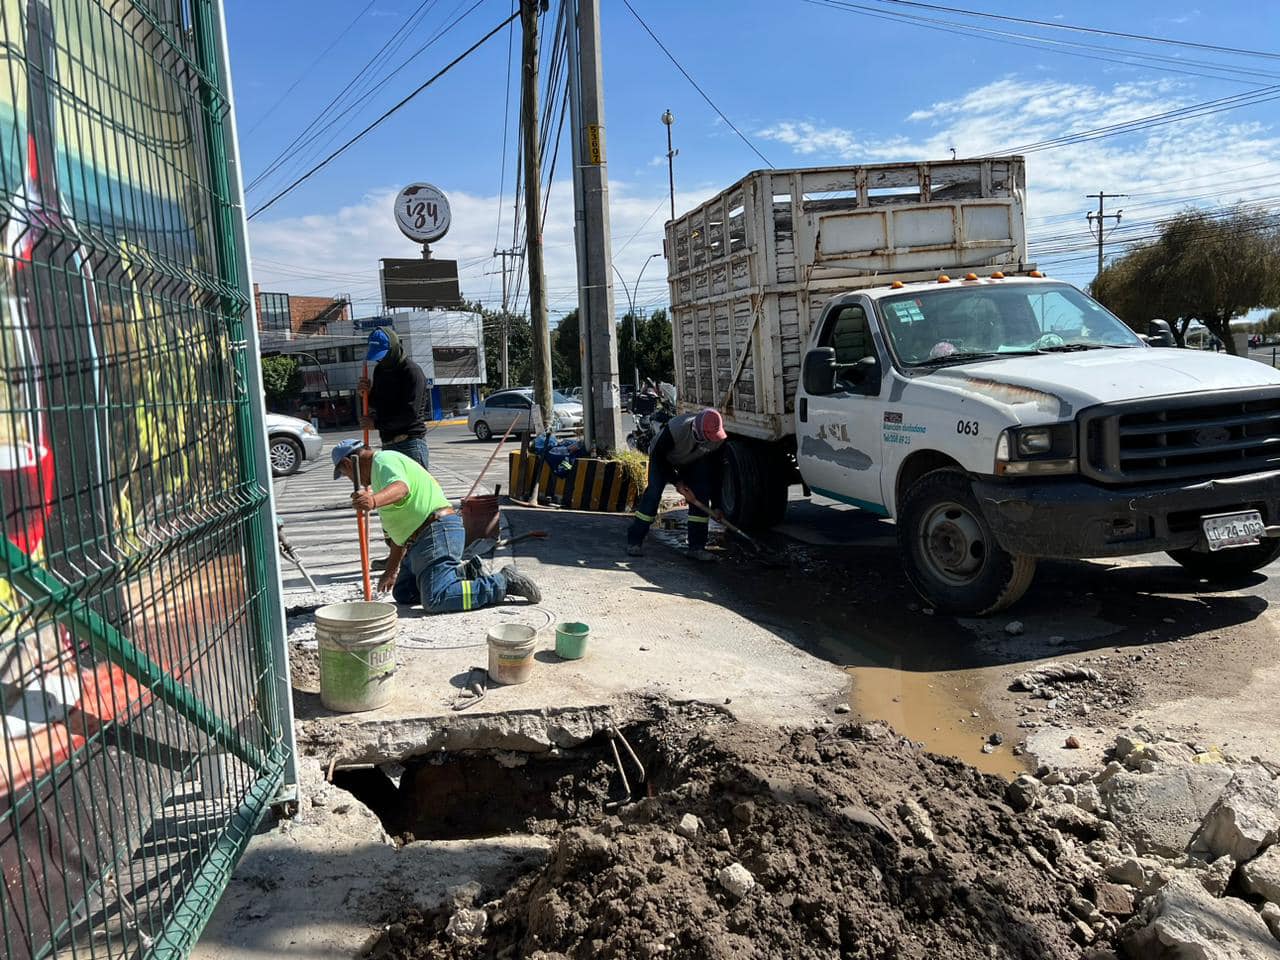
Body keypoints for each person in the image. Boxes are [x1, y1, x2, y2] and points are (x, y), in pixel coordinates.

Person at [331, 438, 541, 612]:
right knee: (404, 592)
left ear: (349, 464)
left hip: (437, 531)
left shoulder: (383, 461)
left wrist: (373, 501)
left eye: (346, 475)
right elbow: (398, 537)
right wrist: (391, 570)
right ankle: (466, 574)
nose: (351, 480)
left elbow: (401, 488)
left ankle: (502, 582)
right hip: (420, 542)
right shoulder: (378, 480)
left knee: (435, 599)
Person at [626, 408, 728, 561]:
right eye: (708, 437)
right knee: (653, 494)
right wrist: (677, 482)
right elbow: (660, 458)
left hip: (691, 460)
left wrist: (717, 505)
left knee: (701, 494)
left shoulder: (717, 439)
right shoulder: (676, 429)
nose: (712, 440)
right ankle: (635, 541)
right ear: (698, 432)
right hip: (663, 458)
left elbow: (715, 473)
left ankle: (697, 548)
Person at [358, 328, 430, 470]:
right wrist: (366, 393)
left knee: (415, 491)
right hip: (388, 445)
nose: (381, 360)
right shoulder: (380, 370)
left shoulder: (412, 372)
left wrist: (376, 424)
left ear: (394, 348)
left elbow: (409, 414)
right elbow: (379, 404)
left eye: (383, 355)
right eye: (378, 357)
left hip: (409, 444)